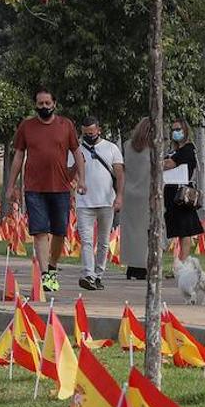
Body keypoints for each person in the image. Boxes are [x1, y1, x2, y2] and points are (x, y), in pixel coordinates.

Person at [5, 88, 86, 293]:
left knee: (59, 231)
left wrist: (81, 179)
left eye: (47, 103)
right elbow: (18, 156)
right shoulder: (26, 126)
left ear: (54, 104)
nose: (44, 107)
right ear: (35, 105)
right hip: (34, 188)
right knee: (40, 231)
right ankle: (45, 275)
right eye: (40, 104)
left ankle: (52, 267)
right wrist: (11, 185)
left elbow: (77, 152)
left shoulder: (65, 125)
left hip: (60, 187)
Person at [69, 118, 124, 290]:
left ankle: (98, 274)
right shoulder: (76, 149)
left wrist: (120, 196)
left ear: (98, 130)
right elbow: (69, 174)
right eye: (85, 134)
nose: (89, 136)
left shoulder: (111, 148)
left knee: (103, 242)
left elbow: (120, 174)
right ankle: (88, 274)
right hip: (84, 202)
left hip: (106, 202)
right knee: (86, 241)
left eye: (91, 133)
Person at [163, 118, 205, 259]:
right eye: (173, 130)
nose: (176, 132)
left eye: (178, 129)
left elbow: (169, 164)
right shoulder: (174, 150)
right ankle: (180, 262)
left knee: (185, 230)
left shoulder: (188, 149)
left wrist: (160, 162)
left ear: (185, 130)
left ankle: (184, 261)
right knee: (179, 230)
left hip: (182, 194)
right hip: (171, 192)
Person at [119, 117, 155, 279]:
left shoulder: (127, 146)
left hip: (129, 193)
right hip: (146, 193)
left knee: (131, 232)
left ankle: (131, 266)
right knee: (145, 232)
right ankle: (142, 267)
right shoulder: (153, 149)